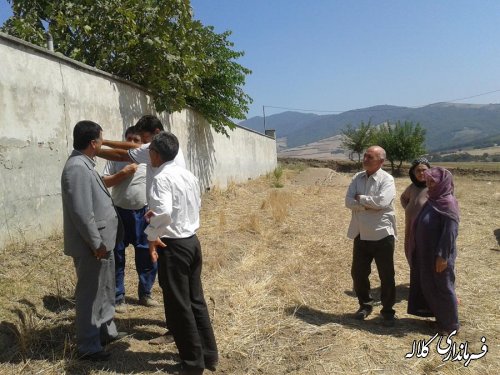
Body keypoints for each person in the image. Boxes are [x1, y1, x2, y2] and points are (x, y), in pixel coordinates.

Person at [146, 132, 218, 375]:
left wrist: (152, 237)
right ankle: (209, 355)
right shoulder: (189, 176)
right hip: (192, 242)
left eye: (150, 152)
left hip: (174, 245)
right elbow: (195, 205)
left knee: (179, 306)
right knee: (195, 300)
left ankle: (192, 364)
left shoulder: (161, 178)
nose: (149, 157)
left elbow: (163, 213)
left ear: (156, 154)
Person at [61, 121, 126, 361]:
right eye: (101, 139)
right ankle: (88, 346)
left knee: (105, 289)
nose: (102, 143)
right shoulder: (77, 168)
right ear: (93, 143)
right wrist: (95, 242)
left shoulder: (86, 164)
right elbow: (81, 212)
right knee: (90, 294)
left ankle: (106, 332)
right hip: (93, 246)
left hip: (102, 243)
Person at [102, 126, 159, 310]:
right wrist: (123, 174)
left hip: (143, 214)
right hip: (118, 212)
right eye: (129, 139)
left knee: (146, 254)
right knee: (117, 254)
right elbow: (103, 182)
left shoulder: (148, 160)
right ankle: (118, 297)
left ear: (142, 144)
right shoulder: (116, 158)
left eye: (136, 141)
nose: (132, 144)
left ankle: (145, 293)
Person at [345, 145, 397, 326]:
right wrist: (368, 204)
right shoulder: (357, 178)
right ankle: (365, 305)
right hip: (361, 233)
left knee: (386, 275)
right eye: (365, 156)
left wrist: (361, 199)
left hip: (382, 234)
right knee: (358, 273)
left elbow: (382, 202)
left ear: (381, 162)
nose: (365, 159)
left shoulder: (387, 179)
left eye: (370, 157)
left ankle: (388, 310)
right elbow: (348, 201)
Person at [407, 167, 460, 335]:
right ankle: (440, 319)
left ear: (443, 183)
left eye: (433, 182)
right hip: (426, 252)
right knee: (430, 286)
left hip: (439, 255)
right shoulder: (433, 199)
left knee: (443, 287)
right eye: (428, 181)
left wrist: (443, 256)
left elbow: (450, 232)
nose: (429, 185)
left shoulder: (448, 202)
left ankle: (450, 325)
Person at [400, 158, 431, 263]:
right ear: (413, 172)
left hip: (425, 229)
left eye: (424, 170)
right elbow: (403, 198)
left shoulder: (434, 187)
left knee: (424, 255)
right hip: (410, 227)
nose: (421, 173)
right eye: (418, 170)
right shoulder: (412, 187)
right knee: (411, 252)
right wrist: (408, 208)